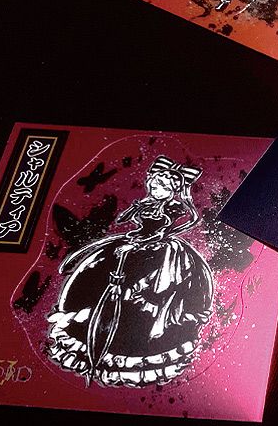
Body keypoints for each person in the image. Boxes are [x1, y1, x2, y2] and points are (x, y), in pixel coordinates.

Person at [47, 157, 214, 387]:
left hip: (156, 251)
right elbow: (123, 219)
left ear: (173, 190)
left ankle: (129, 346)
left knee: (141, 291)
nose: (156, 189)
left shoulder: (172, 208)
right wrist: (135, 209)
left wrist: (146, 241)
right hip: (132, 242)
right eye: (154, 184)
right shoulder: (146, 203)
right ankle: (91, 339)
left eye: (162, 187)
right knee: (94, 273)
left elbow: (170, 228)